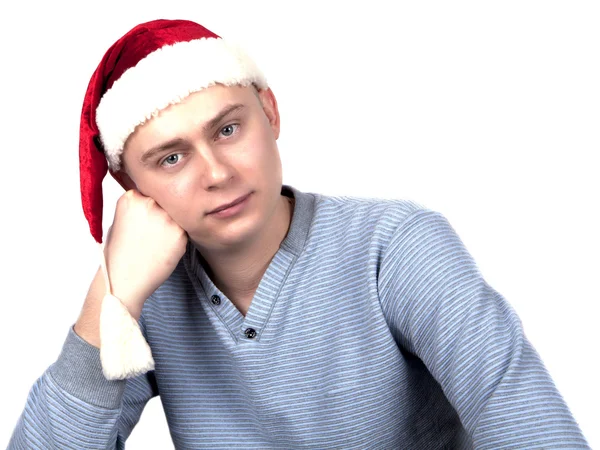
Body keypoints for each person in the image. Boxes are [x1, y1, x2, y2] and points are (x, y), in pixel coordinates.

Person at [7, 18, 590, 449]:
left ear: (271, 113)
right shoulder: (150, 303)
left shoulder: (394, 248)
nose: (217, 172)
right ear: (129, 184)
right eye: (171, 159)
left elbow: (522, 414)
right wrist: (111, 298)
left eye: (229, 128)